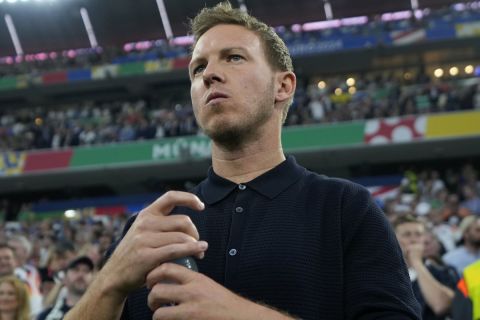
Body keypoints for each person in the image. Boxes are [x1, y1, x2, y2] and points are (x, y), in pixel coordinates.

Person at [65, 2, 421, 319]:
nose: (209, 74)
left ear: (283, 86)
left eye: (234, 57)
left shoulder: (346, 208)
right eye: (197, 68)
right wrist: (109, 283)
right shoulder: (151, 227)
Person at [393, 214, 458, 319]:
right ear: (394, 239)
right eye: (406, 235)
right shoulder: (387, 274)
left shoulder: (444, 270)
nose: (413, 240)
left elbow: (442, 305)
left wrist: (416, 262)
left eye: (418, 234)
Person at [8, 235, 43, 317]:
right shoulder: (5, 272)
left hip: (36, 313)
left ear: (25, 252)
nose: (10, 252)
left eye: (14, 249)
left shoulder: (34, 271)